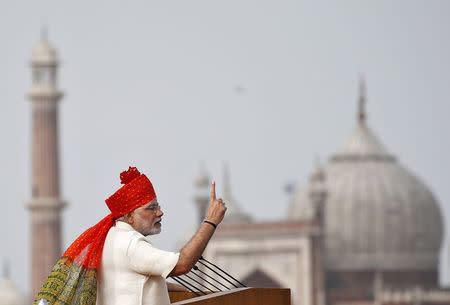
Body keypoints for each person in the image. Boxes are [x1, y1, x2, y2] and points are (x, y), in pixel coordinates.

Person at [34, 166, 227, 305]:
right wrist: (210, 221)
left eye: (158, 206)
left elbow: (125, 283)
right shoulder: (131, 244)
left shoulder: (109, 238)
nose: (159, 212)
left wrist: (167, 287)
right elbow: (183, 264)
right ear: (128, 216)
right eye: (151, 208)